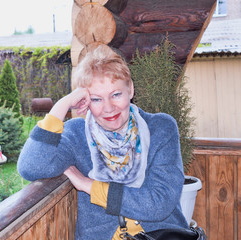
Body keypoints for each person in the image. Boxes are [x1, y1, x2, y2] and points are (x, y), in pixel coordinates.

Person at [17, 44, 189, 239]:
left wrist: (89, 186)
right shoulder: (76, 134)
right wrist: (60, 106)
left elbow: (159, 203)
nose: (109, 108)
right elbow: (30, 167)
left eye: (116, 95)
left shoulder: (160, 127)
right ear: (85, 100)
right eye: (97, 99)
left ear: (130, 89)